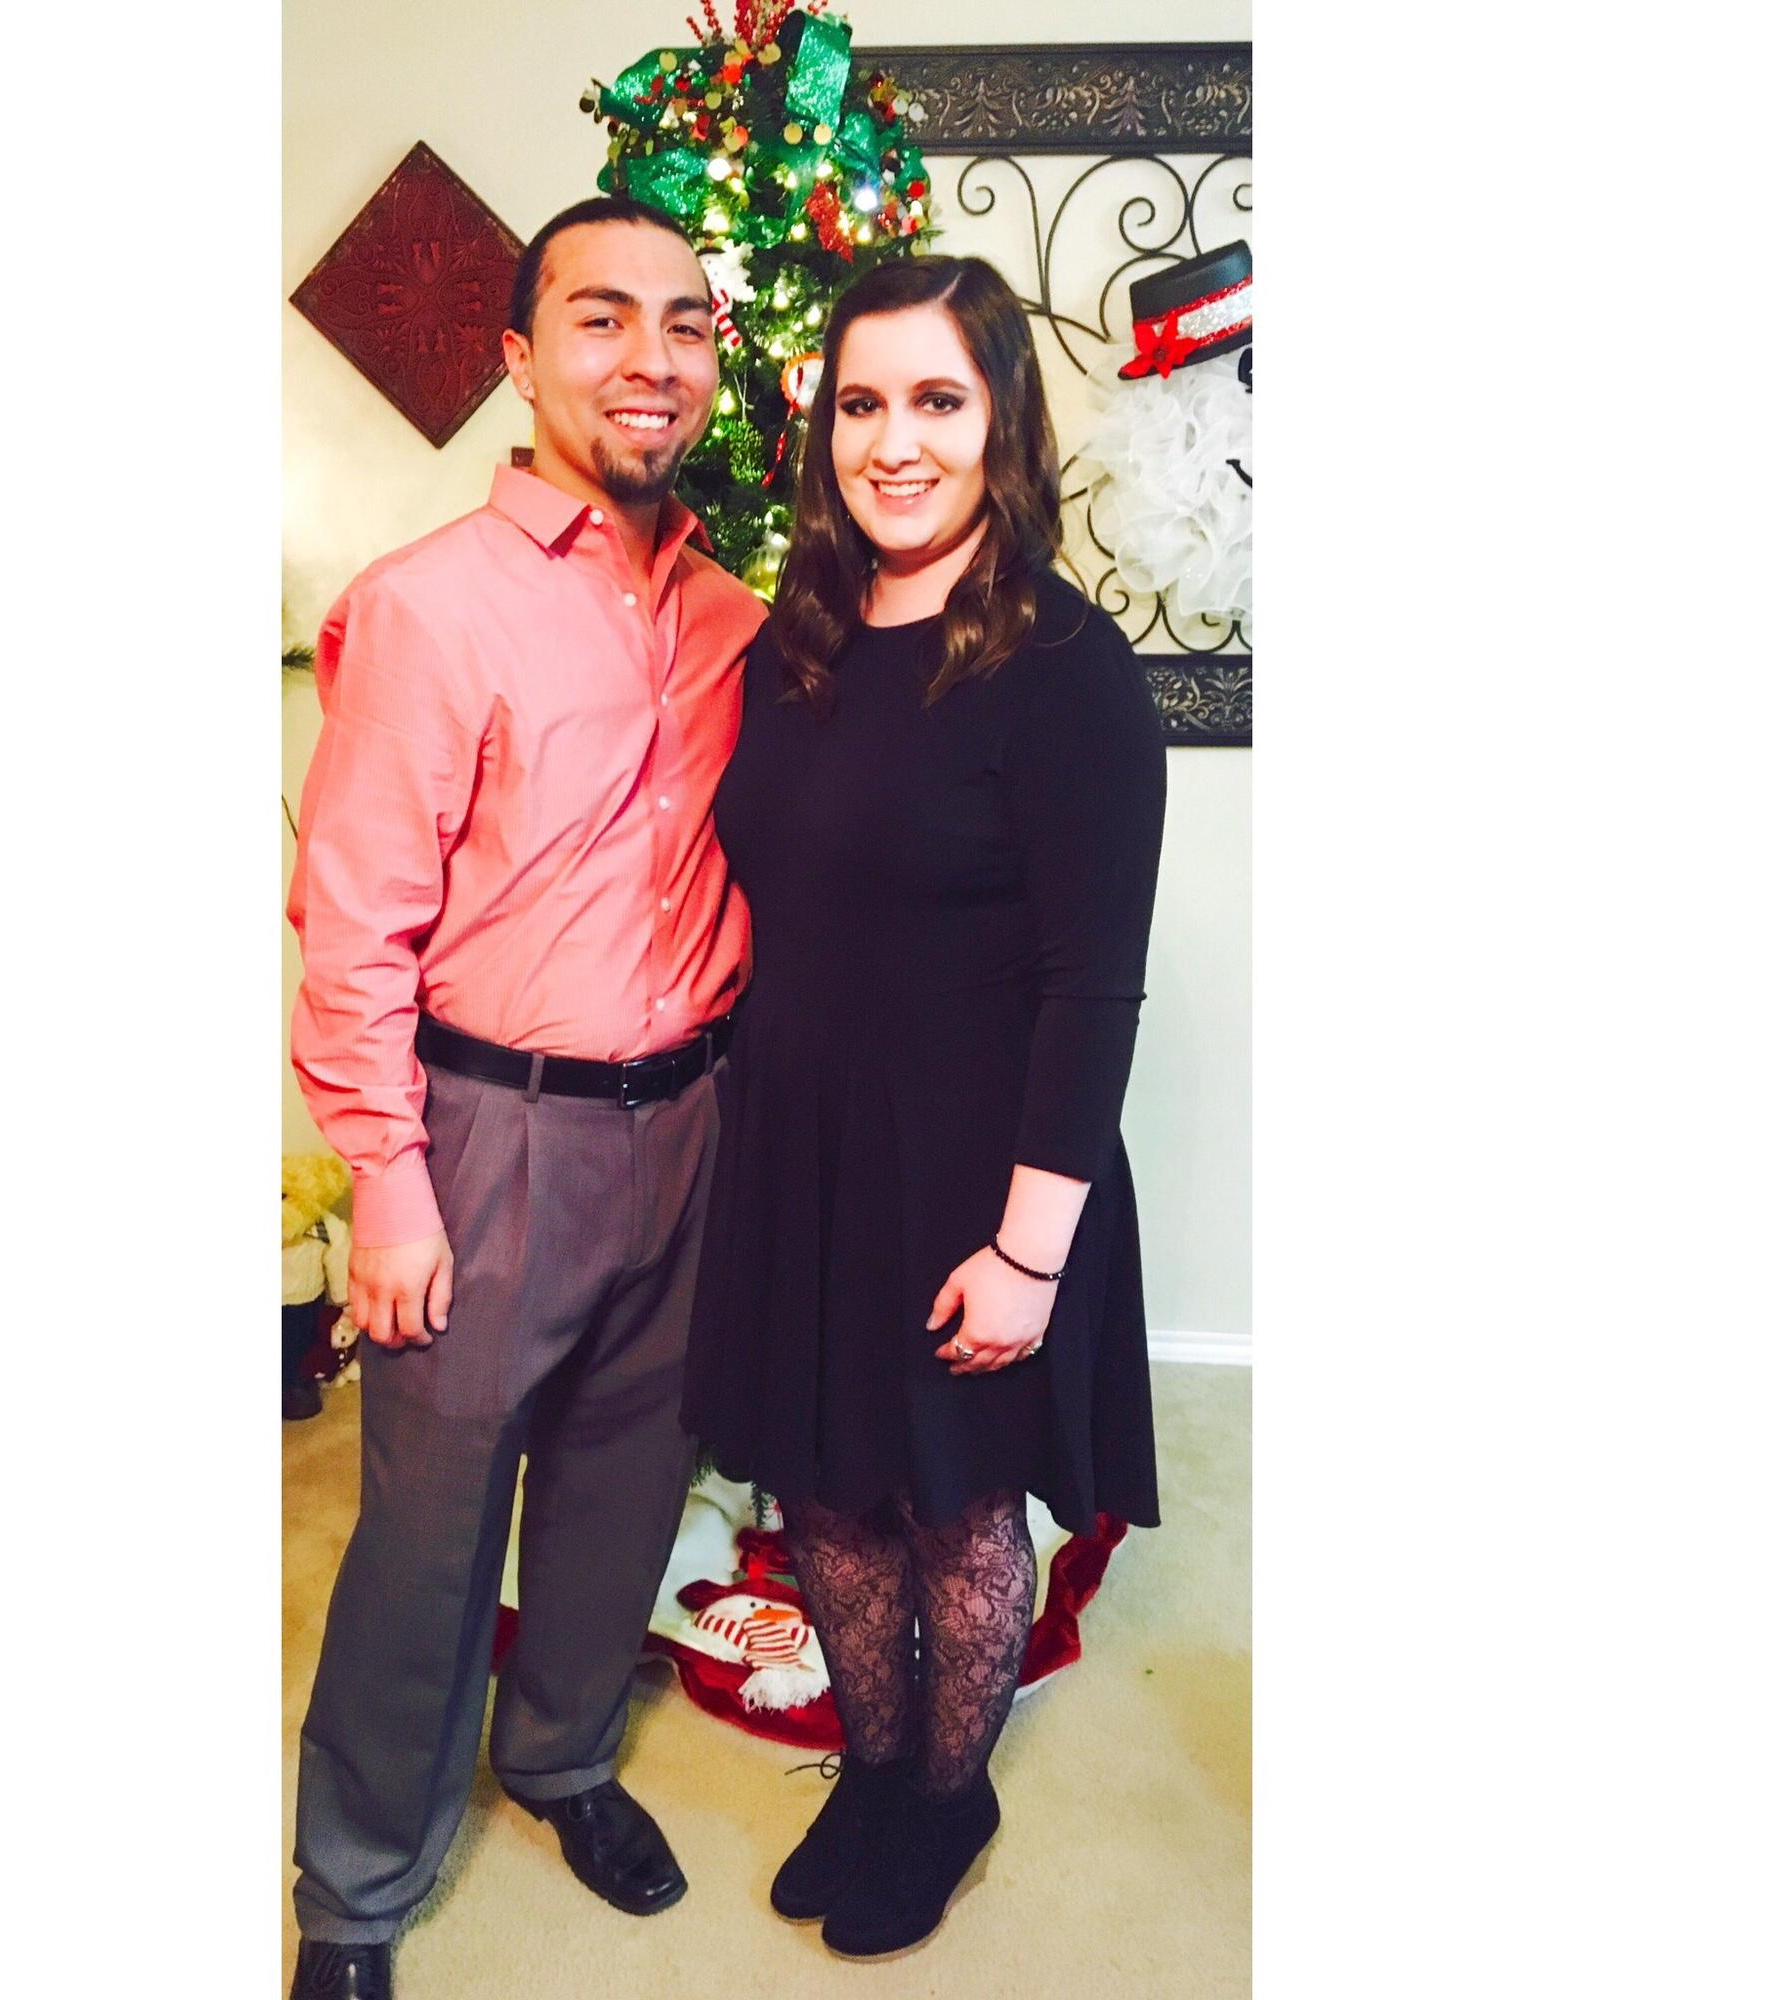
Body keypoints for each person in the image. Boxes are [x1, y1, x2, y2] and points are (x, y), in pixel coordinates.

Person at [285, 195, 764, 2000]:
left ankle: (559, 1757)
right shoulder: (429, 606)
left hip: (693, 1118)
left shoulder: (733, 614)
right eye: (601, 316)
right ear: (519, 357)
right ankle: (354, 1887)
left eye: (687, 322)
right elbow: (354, 923)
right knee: (428, 1527)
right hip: (492, 1130)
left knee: (627, 1478)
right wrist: (388, 1182)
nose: (652, 356)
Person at [681, 254, 1168, 1958]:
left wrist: (1030, 1256)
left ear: (1001, 420)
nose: (895, 442)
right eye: (862, 403)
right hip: (804, 1148)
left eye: (937, 401)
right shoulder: (797, 646)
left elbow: (1093, 985)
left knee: (955, 1506)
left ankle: (950, 1793)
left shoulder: (1069, 668)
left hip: (979, 1169)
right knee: (826, 1492)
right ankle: (878, 1768)